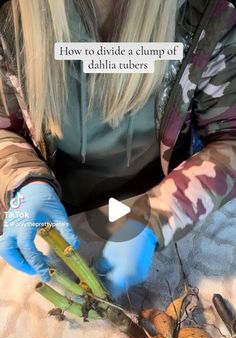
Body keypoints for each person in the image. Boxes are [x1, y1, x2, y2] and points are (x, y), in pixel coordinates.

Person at [0, 0, 236, 295]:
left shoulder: (209, 14)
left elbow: (229, 138)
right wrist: (21, 181)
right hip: (53, 213)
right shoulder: (8, 18)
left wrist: (158, 216)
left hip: (161, 201)